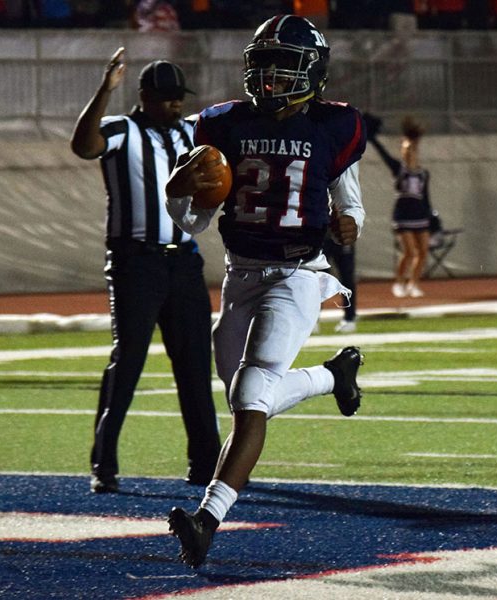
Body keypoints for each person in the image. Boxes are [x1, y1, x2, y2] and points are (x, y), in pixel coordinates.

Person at [164, 14, 366, 569]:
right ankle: (333, 375)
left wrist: (350, 221)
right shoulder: (223, 124)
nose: (271, 75)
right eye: (263, 63)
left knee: (252, 397)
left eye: (284, 64)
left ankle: (208, 519)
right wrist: (178, 190)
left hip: (300, 273)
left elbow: (350, 199)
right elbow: (193, 223)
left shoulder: (334, 125)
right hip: (240, 274)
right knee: (244, 395)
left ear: (312, 71)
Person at [69, 49, 222, 495]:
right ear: (145, 96)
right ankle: (105, 463)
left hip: (184, 259)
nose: (175, 105)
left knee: (195, 363)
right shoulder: (123, 129)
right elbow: (84, 146)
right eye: (167, 98)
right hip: (135, 261)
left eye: (179, 98)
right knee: (129, 361)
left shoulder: (189, 133)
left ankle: (206, 463)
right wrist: (104, 90)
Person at [369, 115, 432, 298]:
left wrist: (431, 216)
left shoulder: (423, 173)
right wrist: (373, 139)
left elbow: (426, 196)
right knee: (409, 252)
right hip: (403, 214)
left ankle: (413, 284)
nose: (409, 152)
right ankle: (398, 282)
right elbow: (384, 155)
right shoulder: (398, 169)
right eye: (406, 150)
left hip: (420, 213)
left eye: (412, 149)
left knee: (423, 252)